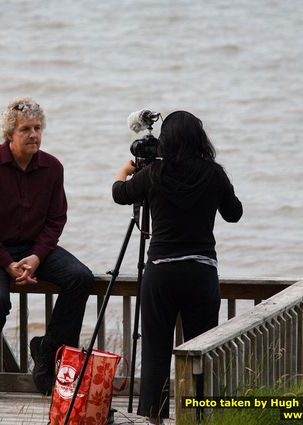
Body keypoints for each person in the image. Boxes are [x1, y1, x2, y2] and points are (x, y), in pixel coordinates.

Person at [0, 97, 94, 403]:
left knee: (81, 278)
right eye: (25, 129)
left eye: (37, 128)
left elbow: (56, 218)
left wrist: (36, 256)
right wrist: (8, 264)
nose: (34, 134)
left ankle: (48, 357)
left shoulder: (52, 167)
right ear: (9, 134)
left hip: (34, 248)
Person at [112, 110, 242, 423]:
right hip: (200, 272)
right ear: (200, 139)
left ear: (165, 142)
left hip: (161, 272)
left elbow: (119, 194)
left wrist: (126, 169)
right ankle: (196, 418)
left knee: (156, 350)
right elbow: (234, 213)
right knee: (199, 352)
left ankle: (152, 419)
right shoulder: (214, 174)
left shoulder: (154, 173)